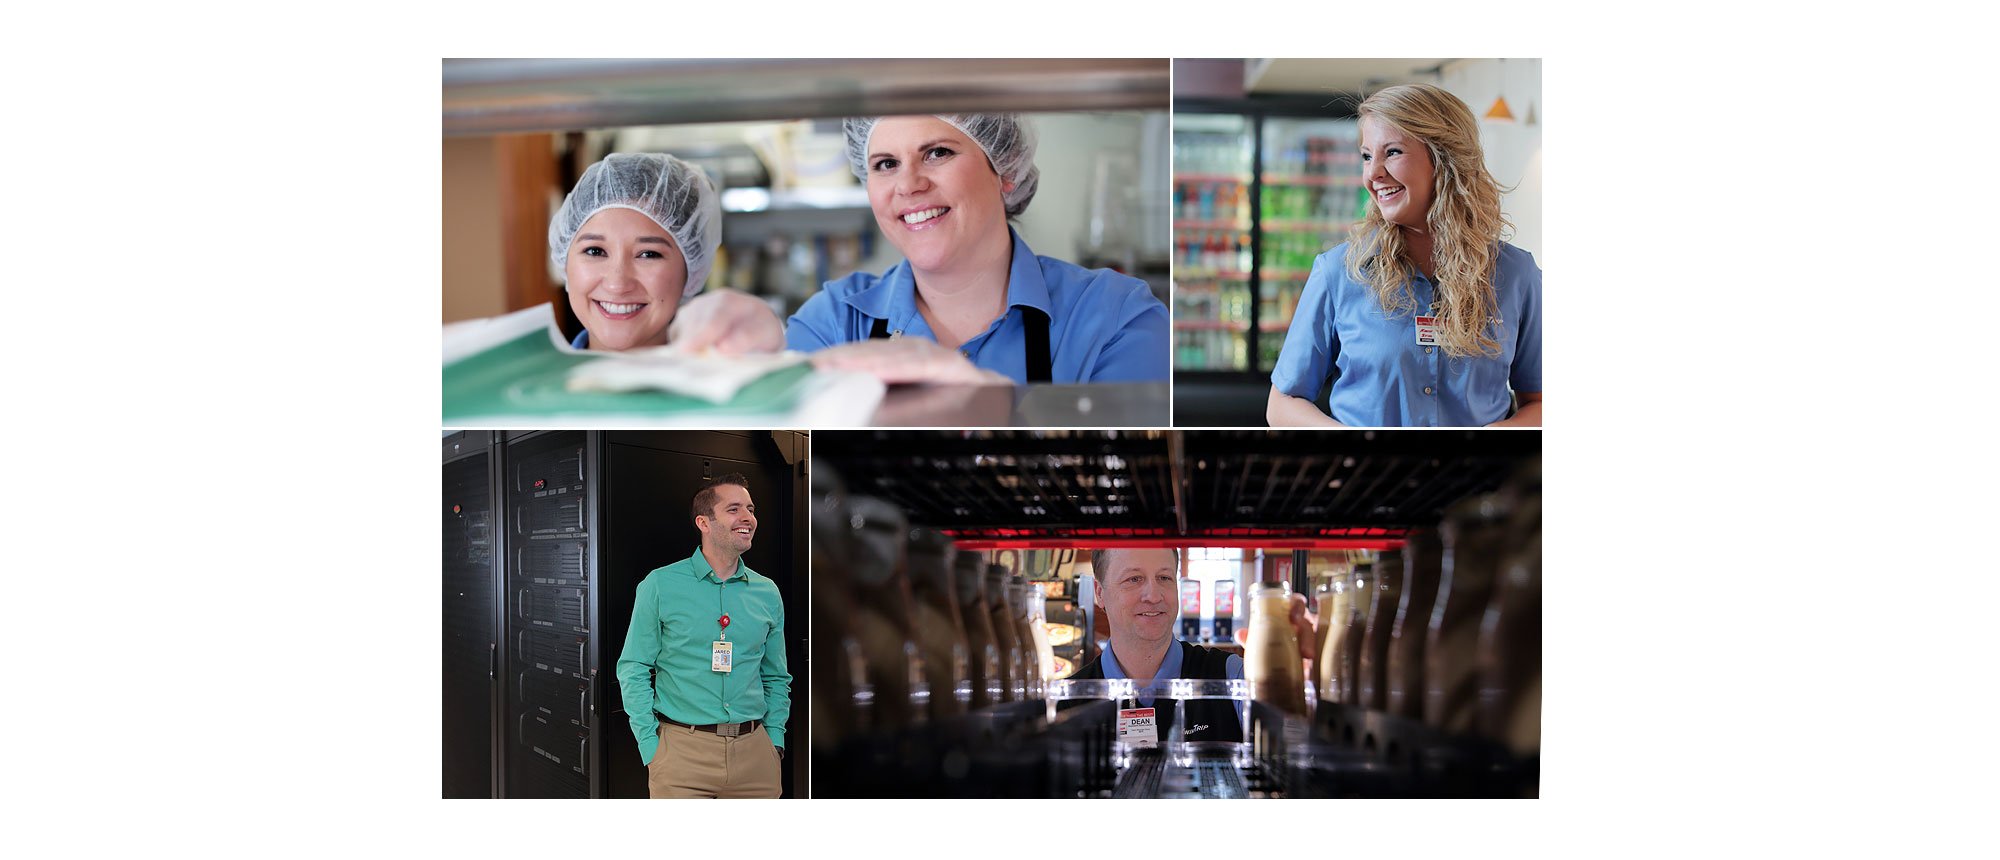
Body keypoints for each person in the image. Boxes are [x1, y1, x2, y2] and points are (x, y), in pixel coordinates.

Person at [781, 114, 1170, 385]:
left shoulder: (1117, 319)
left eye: (937, 153)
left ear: (1005, 170)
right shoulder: (831, 323)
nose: (908, 184)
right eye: (885, 163)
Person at [1268, 83, 1543, 427]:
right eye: (1367, 156)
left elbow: (1540, 402)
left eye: (1392, 152)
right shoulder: (1338, 272)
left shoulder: (1517, 275)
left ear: (1445, 159)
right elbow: (1282, 403)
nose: (1373, 174)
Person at [615, 473, 791, 798]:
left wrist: (774, 740)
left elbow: (776, 676)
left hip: (755, 757)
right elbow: (633, 667)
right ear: (704, 522)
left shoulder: (768, 592)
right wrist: (651, 747)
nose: (748, 518)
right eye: (734, 509)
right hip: (681, 757)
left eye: (751, 509)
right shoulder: (660, 584)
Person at [1070, 548, 1310, 743]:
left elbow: (1291, 743)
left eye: (1164, 578)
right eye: (1134, 579)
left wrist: (1303, 687)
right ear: (1099, 593)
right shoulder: (1066, 702)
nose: (1154, 596)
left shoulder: (1232, 675)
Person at [548, 152, 781, 352]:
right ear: (565, 260)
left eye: (648, 254)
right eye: (595, 251)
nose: (617, 284)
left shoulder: (730, 393)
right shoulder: (529, 394)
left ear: (691, 270)